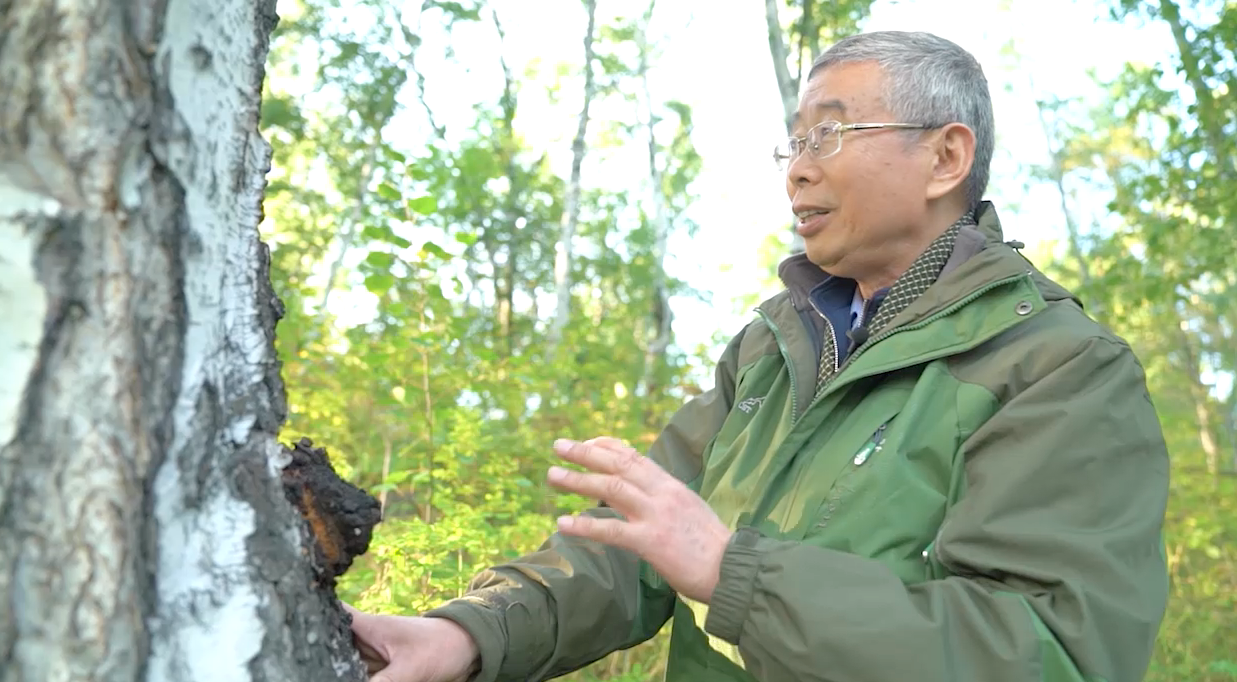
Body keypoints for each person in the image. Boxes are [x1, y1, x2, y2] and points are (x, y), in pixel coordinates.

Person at [346, 30, 1170, 682]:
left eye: (831, 133)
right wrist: (467, 633)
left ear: (944, 158)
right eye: (793, 144)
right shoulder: (772, 348)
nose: (797, 172)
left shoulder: (1058, 366)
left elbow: (1050, 653)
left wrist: (734, 574)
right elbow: (637, 553)